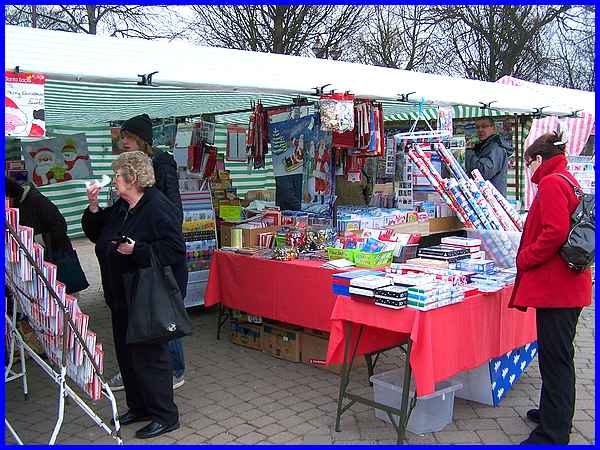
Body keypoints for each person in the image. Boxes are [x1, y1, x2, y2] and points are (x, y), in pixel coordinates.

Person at [82, 151, 185, 439]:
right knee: (128, 353)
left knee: (150, 356)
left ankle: (165, 415)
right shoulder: (123, 206)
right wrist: (92, 206)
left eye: (118, 175)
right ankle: (140, 406)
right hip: (120, 293)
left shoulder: (156, 206)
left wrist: (136, 250)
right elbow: (97, 232)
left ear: (133, 178)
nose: (114, 180)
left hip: (145, 294)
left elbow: (175, 249)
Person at [508, 132, 592, 445]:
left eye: (527, 164)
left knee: (556, 360)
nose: (527, 171)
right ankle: (551, 412)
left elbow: (554, 232)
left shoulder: (552, 182)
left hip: (559, 289)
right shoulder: (565, 178)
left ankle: (554, 432)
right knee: (556, 355)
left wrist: (525, 258)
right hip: (565, 287)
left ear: (538, 160)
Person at [107, 113, 187, 393]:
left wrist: (146, 242)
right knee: (148, 317)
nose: (123, 141)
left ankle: (174, 370)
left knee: (165, 314)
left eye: (128, 137)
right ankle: (137, 371)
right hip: (138, 262)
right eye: (123, 137)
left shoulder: (161, 165)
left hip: (158, 259)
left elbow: (172, 214)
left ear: (141, 139)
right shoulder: (125, 173)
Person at [5, 176, 88, 295]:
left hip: (55, 257)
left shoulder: (37, 200)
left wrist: (38, 239)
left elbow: (60, 226)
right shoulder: (15, 206)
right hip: (38, 261)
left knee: (63, 295)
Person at [464, 117, 513, 197]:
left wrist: (470, 152)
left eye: (484, 126)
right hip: (486, 198)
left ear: (493, 128)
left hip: (491, 201)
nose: (480, 130)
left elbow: (482, 173)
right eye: (477, 127)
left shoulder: (495, 148)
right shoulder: (484, 146)